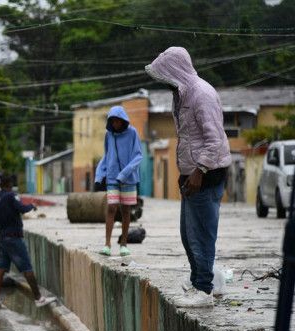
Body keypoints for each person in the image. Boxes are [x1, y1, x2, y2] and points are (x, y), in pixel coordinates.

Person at [146, 46, 231, 308]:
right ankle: (202, 280)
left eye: (166, 77)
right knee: (188, 234)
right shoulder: (183, 94)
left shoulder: (201, 94)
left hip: (208, 173)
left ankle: (203, 290)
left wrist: (198, 172)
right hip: (193, 174)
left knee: (201, 235)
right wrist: (185, 173)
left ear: (176, 71)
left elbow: (214, 140)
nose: (165, 83)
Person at [0, 175, 55, 308]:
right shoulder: (11, 196)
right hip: (14, 238)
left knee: (1, 268)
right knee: (26, 267)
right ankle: (38, 298)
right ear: (9, 184)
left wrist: (4, 221)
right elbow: (22, 208)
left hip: (3, 238)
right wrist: (32, 205)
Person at [94, 106, 143, 257]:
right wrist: (99, 175)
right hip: (112, 178)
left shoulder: (132, 133)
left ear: (123, 121)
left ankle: (123, 244)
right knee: (111, 207)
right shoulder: (109, 135)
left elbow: (138, 156)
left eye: (117, 121)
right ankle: (107, 244)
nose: (115, 124)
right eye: (112, 121)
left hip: (129, 179)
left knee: (126, 210)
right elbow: (107, 155)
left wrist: (124, 173)